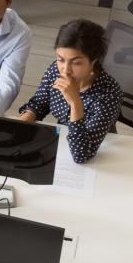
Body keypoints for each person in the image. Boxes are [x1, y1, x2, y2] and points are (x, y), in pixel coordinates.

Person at [18, 19, 121, 163]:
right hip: (62, 141)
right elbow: (40, 103)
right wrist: (23, 122)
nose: (65, 70)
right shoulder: (55, 70)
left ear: (94, 61)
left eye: (76, 62)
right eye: (60, 59)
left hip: (101, 149)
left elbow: (82, 155)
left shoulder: (108, 94)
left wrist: (75, 103)